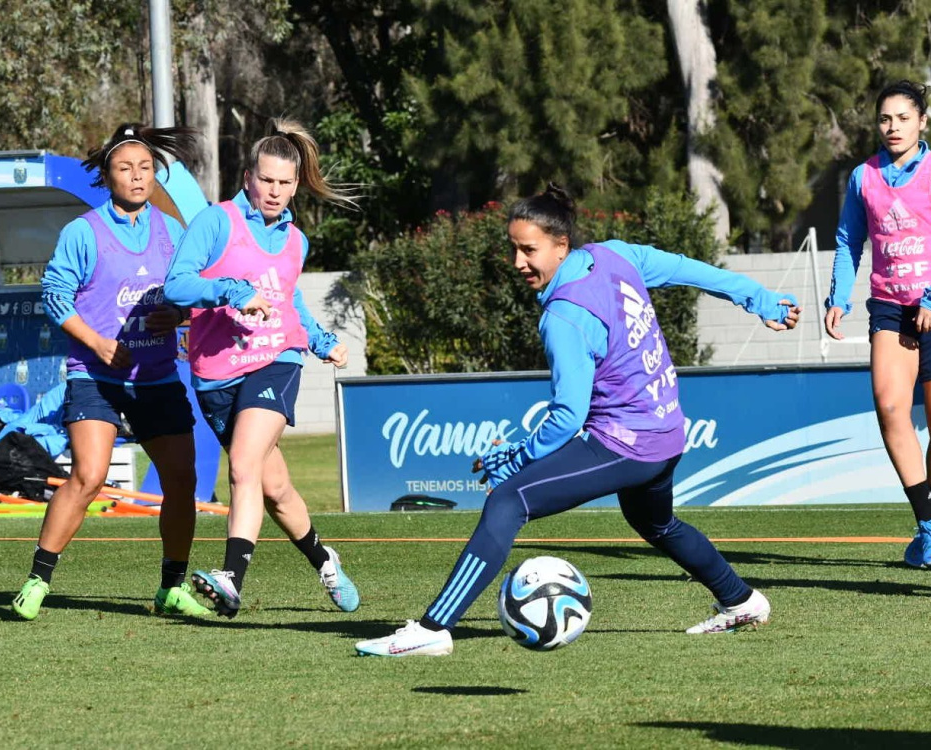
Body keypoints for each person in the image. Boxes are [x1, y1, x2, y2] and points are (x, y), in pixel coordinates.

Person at [355, 184, 802, 657]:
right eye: (514, 248)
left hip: (628, 443)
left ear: (561, 244)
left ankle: (433, 629)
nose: (518, 262)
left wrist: (519, 459)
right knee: (656, 523)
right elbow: (691, 269)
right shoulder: (615, 255)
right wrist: (758, 299)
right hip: (668, 430)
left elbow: (569, 414)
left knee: (507, 502)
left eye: (529, 250)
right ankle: (741, 600)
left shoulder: (565, 316)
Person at [164, 117, 359, 618]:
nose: (275, 191)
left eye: (285, 182)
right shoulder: (216, 222)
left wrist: (318, 340)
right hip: (215, 373)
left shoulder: (297, 240)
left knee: (243, 468)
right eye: (266, 180)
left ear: (296, 185)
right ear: (248, 176)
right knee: (274, 487)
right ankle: (325, 559)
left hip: (277, 359)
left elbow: (289, 298)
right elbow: (177, 286)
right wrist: (231, 291)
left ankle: (230, 579)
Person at [13, 123, 210, 620]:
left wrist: (180, 314)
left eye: (145, 168)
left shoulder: (172, 231)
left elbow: (192, 291)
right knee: (89, 475)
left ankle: (171, 586)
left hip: (158, 378)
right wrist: (98, 342)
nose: (137, 176)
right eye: (126, 168)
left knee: (181, 481)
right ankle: (38, 580)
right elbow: (54, 297)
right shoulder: (83, 231)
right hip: (95, 375)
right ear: (108, 176)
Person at [825, 80, 931, 568]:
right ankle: (928, 526)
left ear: (922, 122)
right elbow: (849, 238)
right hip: (890, 306)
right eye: (885, 119)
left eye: (903, 118)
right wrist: (837, 297)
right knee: (890, 407)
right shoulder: (862, 176)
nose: (893, 127)